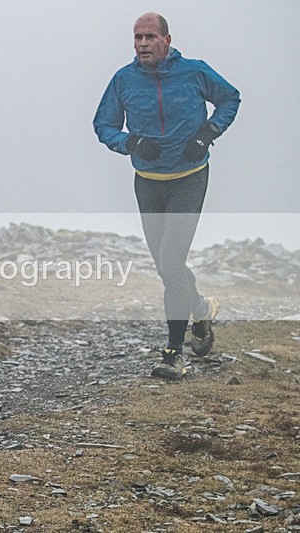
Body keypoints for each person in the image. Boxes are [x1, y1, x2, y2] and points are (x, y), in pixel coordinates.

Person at [93, 13, 240, 380]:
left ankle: (174, 353)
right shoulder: (123, 80)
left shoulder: (194, 71)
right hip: (148, 182)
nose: (142, 44)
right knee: (166, 267)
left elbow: (230, 98)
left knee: (172, 263)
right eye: (137, 38)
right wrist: (130, 142)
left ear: (166, 40)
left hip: (189, 179)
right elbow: (103, 125)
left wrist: (207, 133)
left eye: (149, 37)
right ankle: (201, 310)